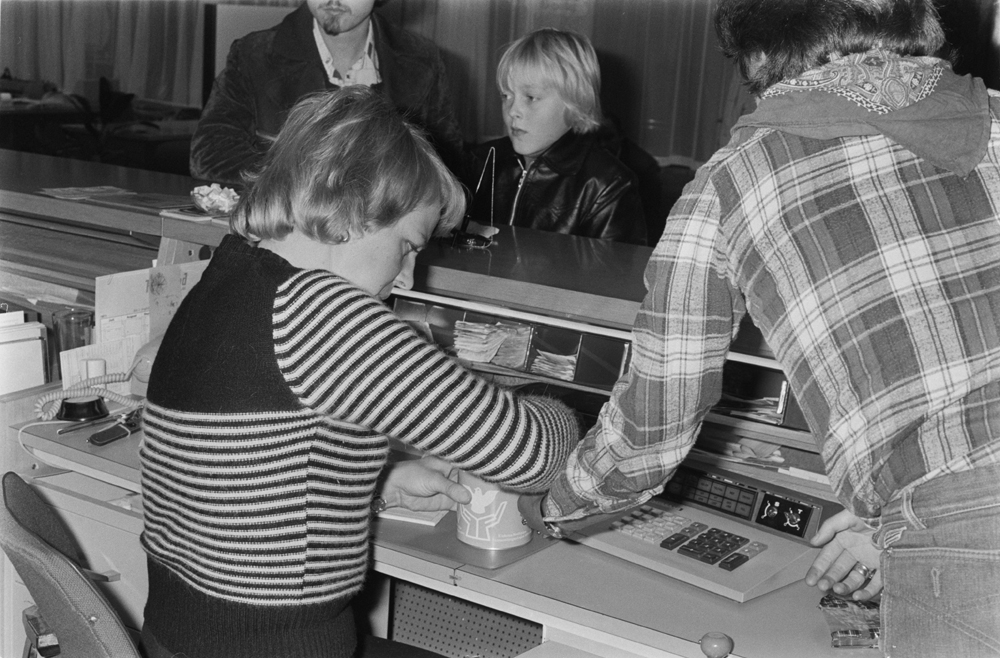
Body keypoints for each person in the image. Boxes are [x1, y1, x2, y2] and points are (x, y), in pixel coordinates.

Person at [519, 1, 1000, 656]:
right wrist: (890, 519)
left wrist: (553, 506)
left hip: (963, 546)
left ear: (762, 55)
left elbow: (651, 427)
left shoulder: (731, 182)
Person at [140, 87, 580, 658]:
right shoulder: (320, 311)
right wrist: (558, 404)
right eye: (406, 247)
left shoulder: (227, 278)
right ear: (352, 203)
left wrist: (372, 487)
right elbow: (533, 454)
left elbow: (235, 481)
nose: (407, 279)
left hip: (178, 638)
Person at [189, 0, 464, 187]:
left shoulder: (422, 60)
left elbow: (447, 168)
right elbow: (210, 154)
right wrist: (307, 185)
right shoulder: (253, 55)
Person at [463, 28, 648, 245]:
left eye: (531, 97)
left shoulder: (607, 186)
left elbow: (614, 273)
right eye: (506, 95)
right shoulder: (481, 161)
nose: (513, 110)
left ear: (576, 102)